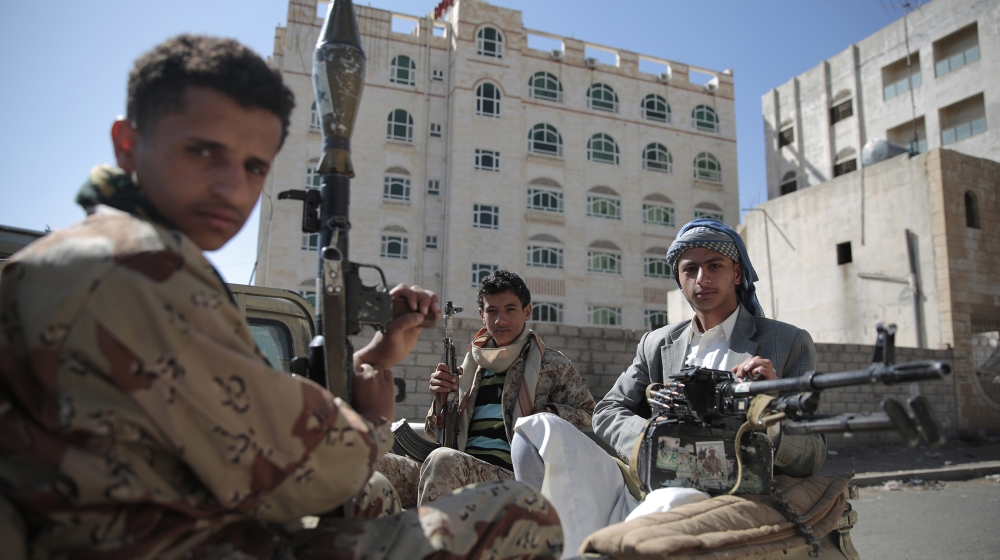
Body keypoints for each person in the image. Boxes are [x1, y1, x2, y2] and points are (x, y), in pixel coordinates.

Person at [0, 35, 562, 560]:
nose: (232, 187)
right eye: (202, 152)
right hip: (183, 538)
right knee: (523, 515)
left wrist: (371, 361)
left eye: (253, 167)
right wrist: (372, 414)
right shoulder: (142, 270)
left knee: (384, 491)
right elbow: (312, 469)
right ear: (128, 143)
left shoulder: (64, 261)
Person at [511, 218, 826, 556]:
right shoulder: (658, 344)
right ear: (679, 279)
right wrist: (654, 442)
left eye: (714, 266)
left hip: (720, 491)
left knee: (672, 498)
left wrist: (768, 412)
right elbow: (607, 410)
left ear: (737, 273)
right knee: (534, 429)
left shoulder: (785, 342)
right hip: (646, 473)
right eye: (690, 270)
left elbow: (814, 453)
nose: (702, 279)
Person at [378, 270, 596, 507]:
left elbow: (590, 417)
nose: (500, 320)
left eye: (510, 310)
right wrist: (440, 400)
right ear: (482, 315)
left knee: (444, 460)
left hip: (512, 480)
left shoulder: (553, 365)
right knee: (374, 465)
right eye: (492, 311)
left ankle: (429, 544)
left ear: (527, 312)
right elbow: (434, 435)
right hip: (454, 467)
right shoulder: (471, 366)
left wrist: (542, 419)